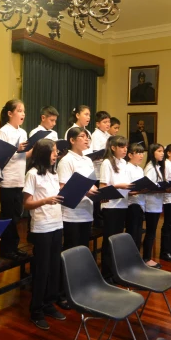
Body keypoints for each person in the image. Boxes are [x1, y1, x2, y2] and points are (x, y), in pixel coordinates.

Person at [23, 138, 66, 329]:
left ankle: (49, 303)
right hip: (42, 226)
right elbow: (27, 203)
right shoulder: (32, 174)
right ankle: (36, 310)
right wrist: (45, 201)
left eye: (56, 151)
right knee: (42, 269)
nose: (56, 154)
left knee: (54, 266)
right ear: (43, 153)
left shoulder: (53, 172)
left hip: (57, 223)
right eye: (53, 151)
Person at [56, 127, 98, 308]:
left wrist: (95, 191)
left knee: (82, 251)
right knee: (70, 252)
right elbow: (63, 187)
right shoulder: (66, 160)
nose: (87, 140)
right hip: (71, 213)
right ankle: (64, 292)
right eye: (82, 137)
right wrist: (87, 191)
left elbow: (92, 184)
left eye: (88, 137)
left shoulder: (88, 160)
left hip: (86, 211)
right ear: (72, 140)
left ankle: (80, 288)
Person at [0, 99, 31, 261]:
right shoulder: (4, 131)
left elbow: (23, 155)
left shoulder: (23, 132)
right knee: (7, 216)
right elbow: (2, 155)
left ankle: (14, 246)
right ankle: (6, 249)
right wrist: (16, 149)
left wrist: (37, 149)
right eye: (19, 110)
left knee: (17, 216)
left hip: (19, 179)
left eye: (24, 111)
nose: (23, 114)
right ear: (10, 113)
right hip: (8, 179)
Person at [99, 135, 132, 279]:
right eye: (122, 147)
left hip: (123, 204)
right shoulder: (107, 163)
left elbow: (127, 183)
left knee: (118, 240)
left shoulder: (124, 163)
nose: (125, 149)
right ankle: (107, 274)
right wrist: (119, 186)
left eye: (126, 147)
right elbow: (103, 187)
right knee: (109, 241)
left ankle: (116, 271)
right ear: (113, 148)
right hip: (111, 206)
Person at [143, 143, 166, 267]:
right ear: (153, 153)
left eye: (163, 151)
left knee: (152, 232)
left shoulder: (157, 166)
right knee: (151, 232)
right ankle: (146, 258)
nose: (162, 153)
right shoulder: (150, 168)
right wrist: (163, 189)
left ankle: (148, 257)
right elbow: (148, 187)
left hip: (157, 203)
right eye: (159, 151)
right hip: (151, 204)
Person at [125, 143, 147, 252]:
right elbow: (126, 189)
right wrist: (138, 190)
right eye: (138, 153)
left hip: (140, 203)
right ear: (130, 155)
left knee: (138, 233)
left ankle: (137, 258)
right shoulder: (126, 168)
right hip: (131, 204)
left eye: (142, 153)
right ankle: (131, 258)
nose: (141, 156)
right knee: (132, 233)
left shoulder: (139, 169)